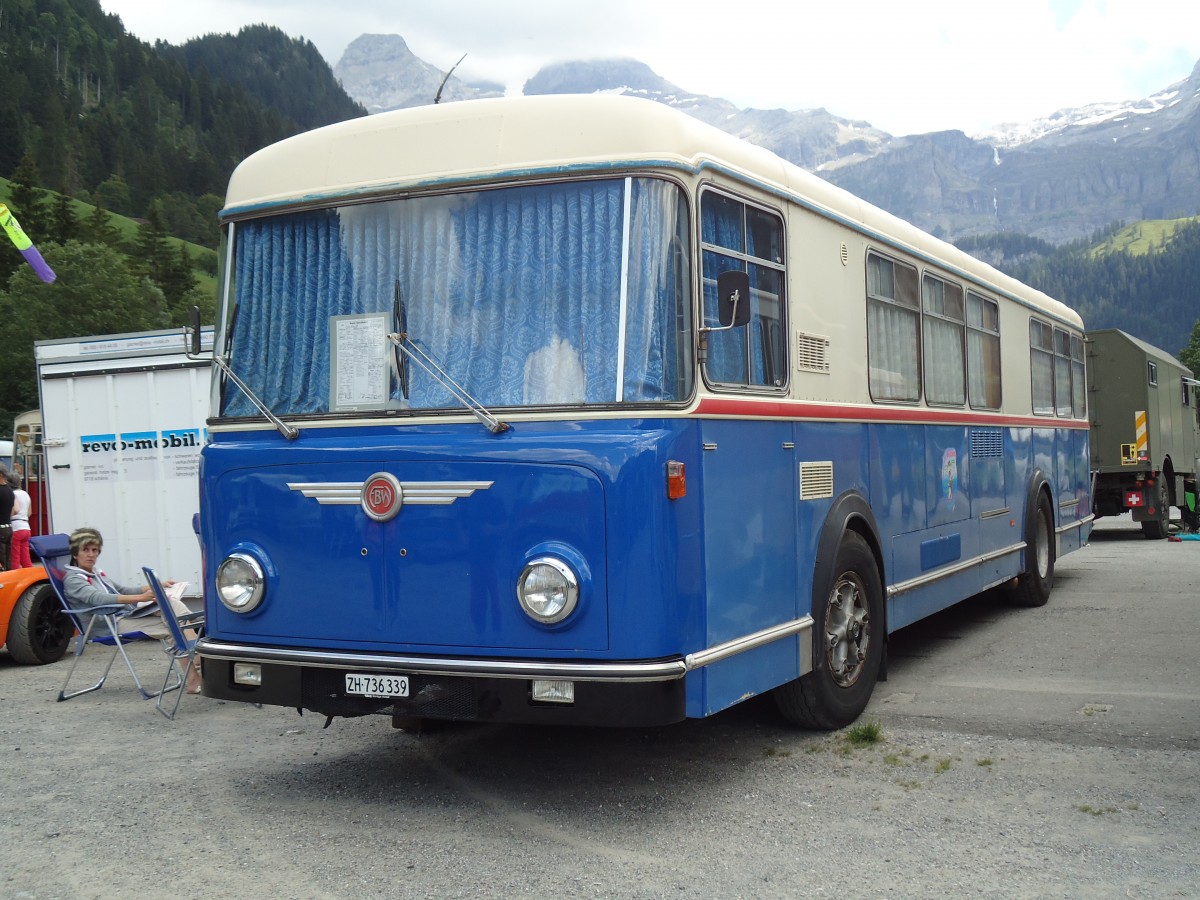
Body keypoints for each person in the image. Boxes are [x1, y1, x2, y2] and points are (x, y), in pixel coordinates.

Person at [63, 526, 202, 692]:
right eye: (86, 550)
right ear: (75, 553)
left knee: (170, 605)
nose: (91, 555)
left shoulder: (96, 573)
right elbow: (97, 599)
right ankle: (196, 650)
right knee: (172, 622)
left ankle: (194, 665)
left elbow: (122, 590)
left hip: (124, 616)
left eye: (95, 550)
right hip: (108, 624)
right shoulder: (73, 579)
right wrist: (140, 598)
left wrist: (155, 586)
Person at [10, 480, 31, 568]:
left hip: (15, 527)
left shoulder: (12, 494)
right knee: (25, 556)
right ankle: (30, 574)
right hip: (26, 527)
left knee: (15, 557)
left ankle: (14, 577)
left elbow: (14, 510)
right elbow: (29, 513)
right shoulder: (26, 494)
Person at [0, 464, 14, 570]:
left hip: (1, 529)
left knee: (1, 561)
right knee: (8, 559)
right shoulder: (10, 491)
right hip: (8, 527)